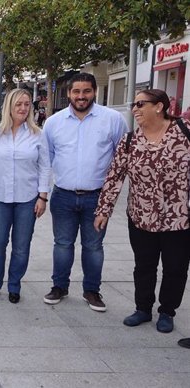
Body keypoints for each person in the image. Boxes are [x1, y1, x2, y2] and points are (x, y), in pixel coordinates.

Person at [95, 89, 190, 332]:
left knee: (175, 267)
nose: (134, 109)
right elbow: (114, 177)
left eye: (139, 104)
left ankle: (167, 311)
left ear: (159, 106)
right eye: (133, 105)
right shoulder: (130, 141)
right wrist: (103, 210)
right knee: (144, 265)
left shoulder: (184, 134)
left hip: (178, 218)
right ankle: (143, 308)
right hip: (141, 216)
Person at [43, 72, 127, 312]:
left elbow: (120, 161)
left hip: (96, 197)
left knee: (93, 246)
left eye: (86, 91)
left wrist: (110, 198)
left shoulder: (112, 120)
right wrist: (43, 194)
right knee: (62, 244)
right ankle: (59, 286)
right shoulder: (54, 122)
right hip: (63, 195)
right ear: (69, 93)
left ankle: (92, 291)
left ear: (94, 92)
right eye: (76, 91)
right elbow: (46, 160)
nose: (81, 96)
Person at [0, 88, 51, 304]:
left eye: (27, 104)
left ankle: (14, 285)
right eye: (18, 104)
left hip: (27, 199)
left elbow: (45, 166)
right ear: (9, 106)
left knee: (21, 245)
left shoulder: (38, 134)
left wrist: (42, 196)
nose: (22, 108)